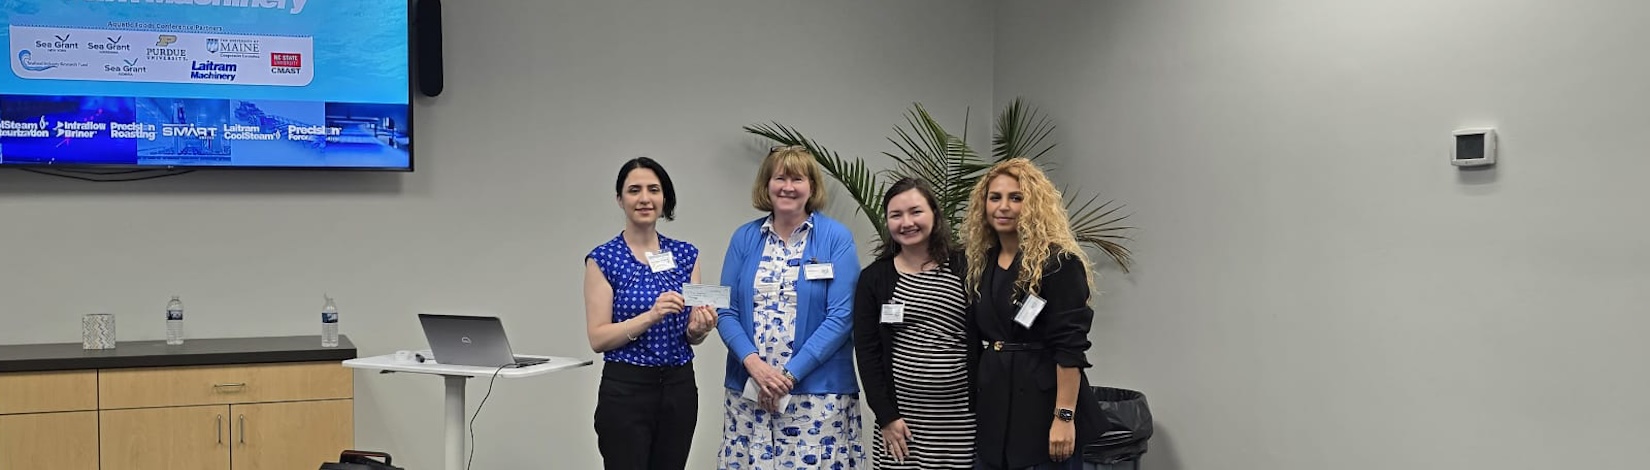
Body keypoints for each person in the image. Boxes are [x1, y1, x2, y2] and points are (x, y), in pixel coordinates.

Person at [716, 145, 865, 469]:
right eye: (779, 177)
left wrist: (788, 375)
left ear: (811, 186)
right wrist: (755, 367)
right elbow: (725, 310)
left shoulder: (835, 238)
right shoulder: (744, 238)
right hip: (750, 394)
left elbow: (841, 316)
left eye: (797, 178)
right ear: (766, 184)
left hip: (817, 396)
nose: (787, 186)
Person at [961, 158, 1104, 470]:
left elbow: (1070, 349)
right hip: (994, 404)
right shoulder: (978, 264)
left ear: (1033, 204)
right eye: (995, 197)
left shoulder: (1060, 264)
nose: (1003, 206)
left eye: (1016, 197)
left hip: (1044, 405)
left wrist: (1064, 416)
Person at [582, 157, 718, 470]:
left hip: (679, 388)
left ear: (664, 198)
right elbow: (598, 337)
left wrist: (700, 328)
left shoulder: (685, 254)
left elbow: (691, 334)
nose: (645, 198)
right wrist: (651, 316)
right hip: (626, 389)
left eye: (653, 189)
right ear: (620, 199)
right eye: (634, 190)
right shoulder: (603, 259)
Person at [853, 177, 977, 469]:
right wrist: (886, 416)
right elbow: (867, 353)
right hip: (901, 422)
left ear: (934, 213)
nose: (906, 222)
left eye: (916, 212)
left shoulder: (966, 266)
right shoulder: (874, 278)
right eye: (896, 215)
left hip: (961, 417)